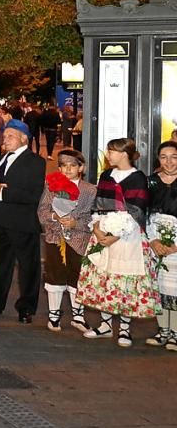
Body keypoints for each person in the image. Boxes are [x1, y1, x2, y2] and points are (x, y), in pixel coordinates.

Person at [77, 138, 159, 347]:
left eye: (112, 151)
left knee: (123, 281)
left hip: (126, 237)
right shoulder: (106, 176)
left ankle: (124, 328)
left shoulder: (137, 178)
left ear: (124, 153)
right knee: (105, 278)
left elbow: (137, 210)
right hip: (103, 231)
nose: (108, 154)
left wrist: (115, 235)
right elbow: (98, 205)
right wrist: (96, 227)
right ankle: (104, 325)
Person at [0, 119, 47, 323]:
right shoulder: (1, 159)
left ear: (23, 138)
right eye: (4, 136)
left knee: (28, 267)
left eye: (10, 136)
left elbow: (33, 194)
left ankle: (26, 308)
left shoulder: (35, 161)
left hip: (23, 222)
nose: (5, 140)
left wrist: (2, 192)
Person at [37, 149, 97, 332]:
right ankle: (54, 314)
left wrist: (75, 223)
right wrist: (55, 217)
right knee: (54, 273)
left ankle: (77, 315)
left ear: (81, 168)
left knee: (77, 275)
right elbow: (42, 210)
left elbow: (93, 217)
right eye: (64, 166)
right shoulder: (52, 186)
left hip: (79, 239)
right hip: (55, 237)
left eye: (73, 166)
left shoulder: (90, 190)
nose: (68, 170)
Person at [146, 141, 177, 349]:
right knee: (158, 287)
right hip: (155, 239)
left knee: (174, 288)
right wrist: (153, 240)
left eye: (174, 156)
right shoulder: (151, 182)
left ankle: (175, 332)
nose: (169, 161)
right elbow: (143, 214)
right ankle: (162, 330)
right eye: (164, 157)